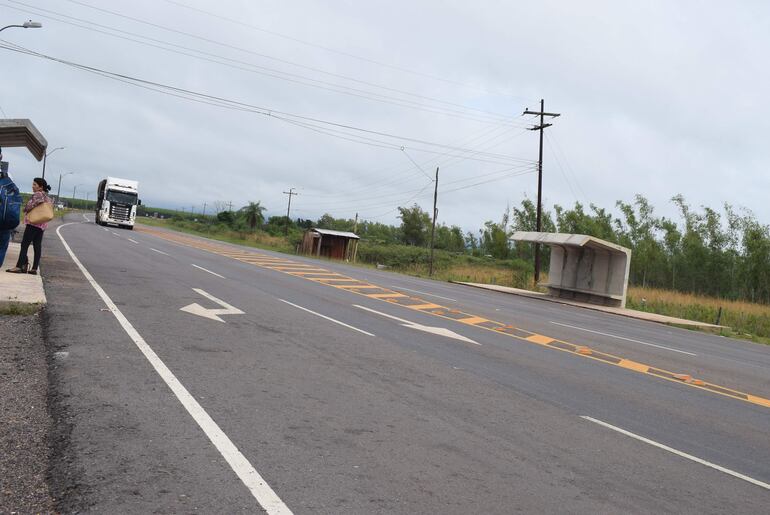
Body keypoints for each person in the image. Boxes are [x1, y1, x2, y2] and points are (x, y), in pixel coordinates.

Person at [6, 177, 52, 275]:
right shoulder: (47, 197)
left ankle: (19, 266)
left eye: (35, 185)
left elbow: (29, 206)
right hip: (42, 225)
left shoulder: (38, 194)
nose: (33, 186)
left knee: (24, 245)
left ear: (40, 187)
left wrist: (25, 207)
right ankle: (34, 268)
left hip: (33, 223)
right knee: (37, 246)